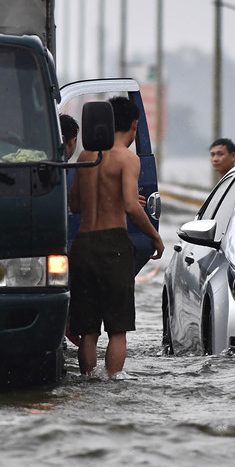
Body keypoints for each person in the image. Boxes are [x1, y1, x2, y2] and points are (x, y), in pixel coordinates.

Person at [69, 96, 165, 377]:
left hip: (84, 245)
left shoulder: (85, 156)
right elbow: (129, 206)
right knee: (117, 328)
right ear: (134, 125)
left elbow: (74, 205)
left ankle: (87, 379)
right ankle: (112, 383)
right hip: (113, 246)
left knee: (87, 329)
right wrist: (155, 237)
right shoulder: (127, 158)